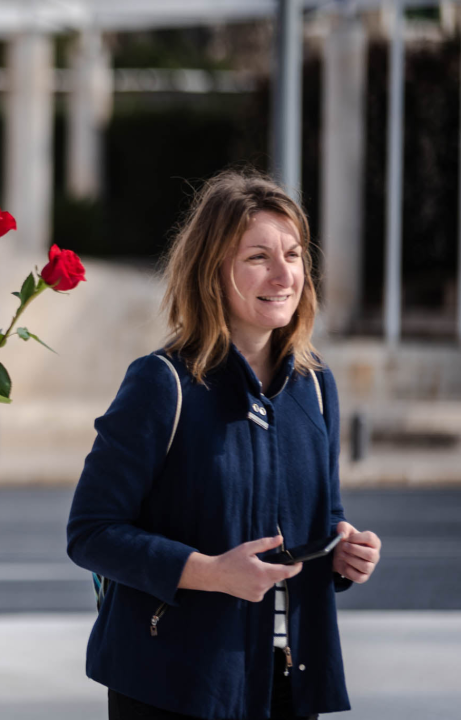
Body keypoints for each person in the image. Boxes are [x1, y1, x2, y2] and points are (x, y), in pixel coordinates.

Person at [66, 170, 382, 720]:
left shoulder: (317, 387)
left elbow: (324, 522)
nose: (284, 274)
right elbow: (91, 533)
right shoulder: (160, 384)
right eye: (258, 257)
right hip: (176, 686)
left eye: (295, 253)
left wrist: (344, 555)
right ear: (213, 270)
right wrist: (211, 572)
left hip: (288, 682)